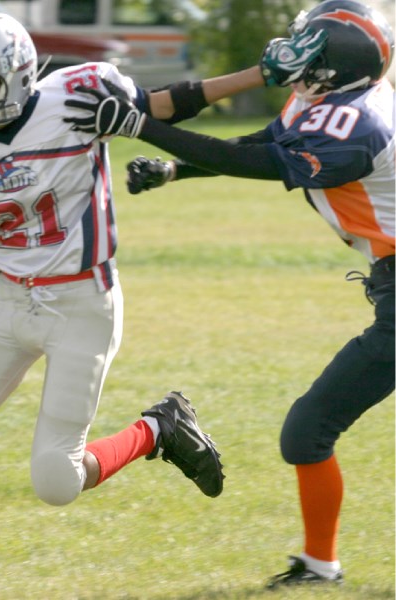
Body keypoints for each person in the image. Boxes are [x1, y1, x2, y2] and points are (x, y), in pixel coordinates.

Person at [63, 0, 395, 589]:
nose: (293, 52)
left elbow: (263, 163)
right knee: (307, 432)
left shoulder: (359, 123)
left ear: (337, 64)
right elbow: (265, 140)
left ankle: (322, 568)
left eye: (309, 46)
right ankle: (320, 565)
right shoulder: (326, 100)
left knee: (306, 431)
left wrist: (143, 127)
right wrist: (174, 171)